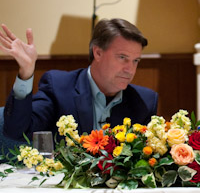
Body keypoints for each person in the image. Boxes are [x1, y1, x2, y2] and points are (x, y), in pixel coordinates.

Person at [1, 18, 158, 142]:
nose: (130, 69)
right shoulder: (58, 87)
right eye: (122, 57)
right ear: (98, 53)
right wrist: (26, 72)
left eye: (135, 61)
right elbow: (17, 131)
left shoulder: (144, 102)